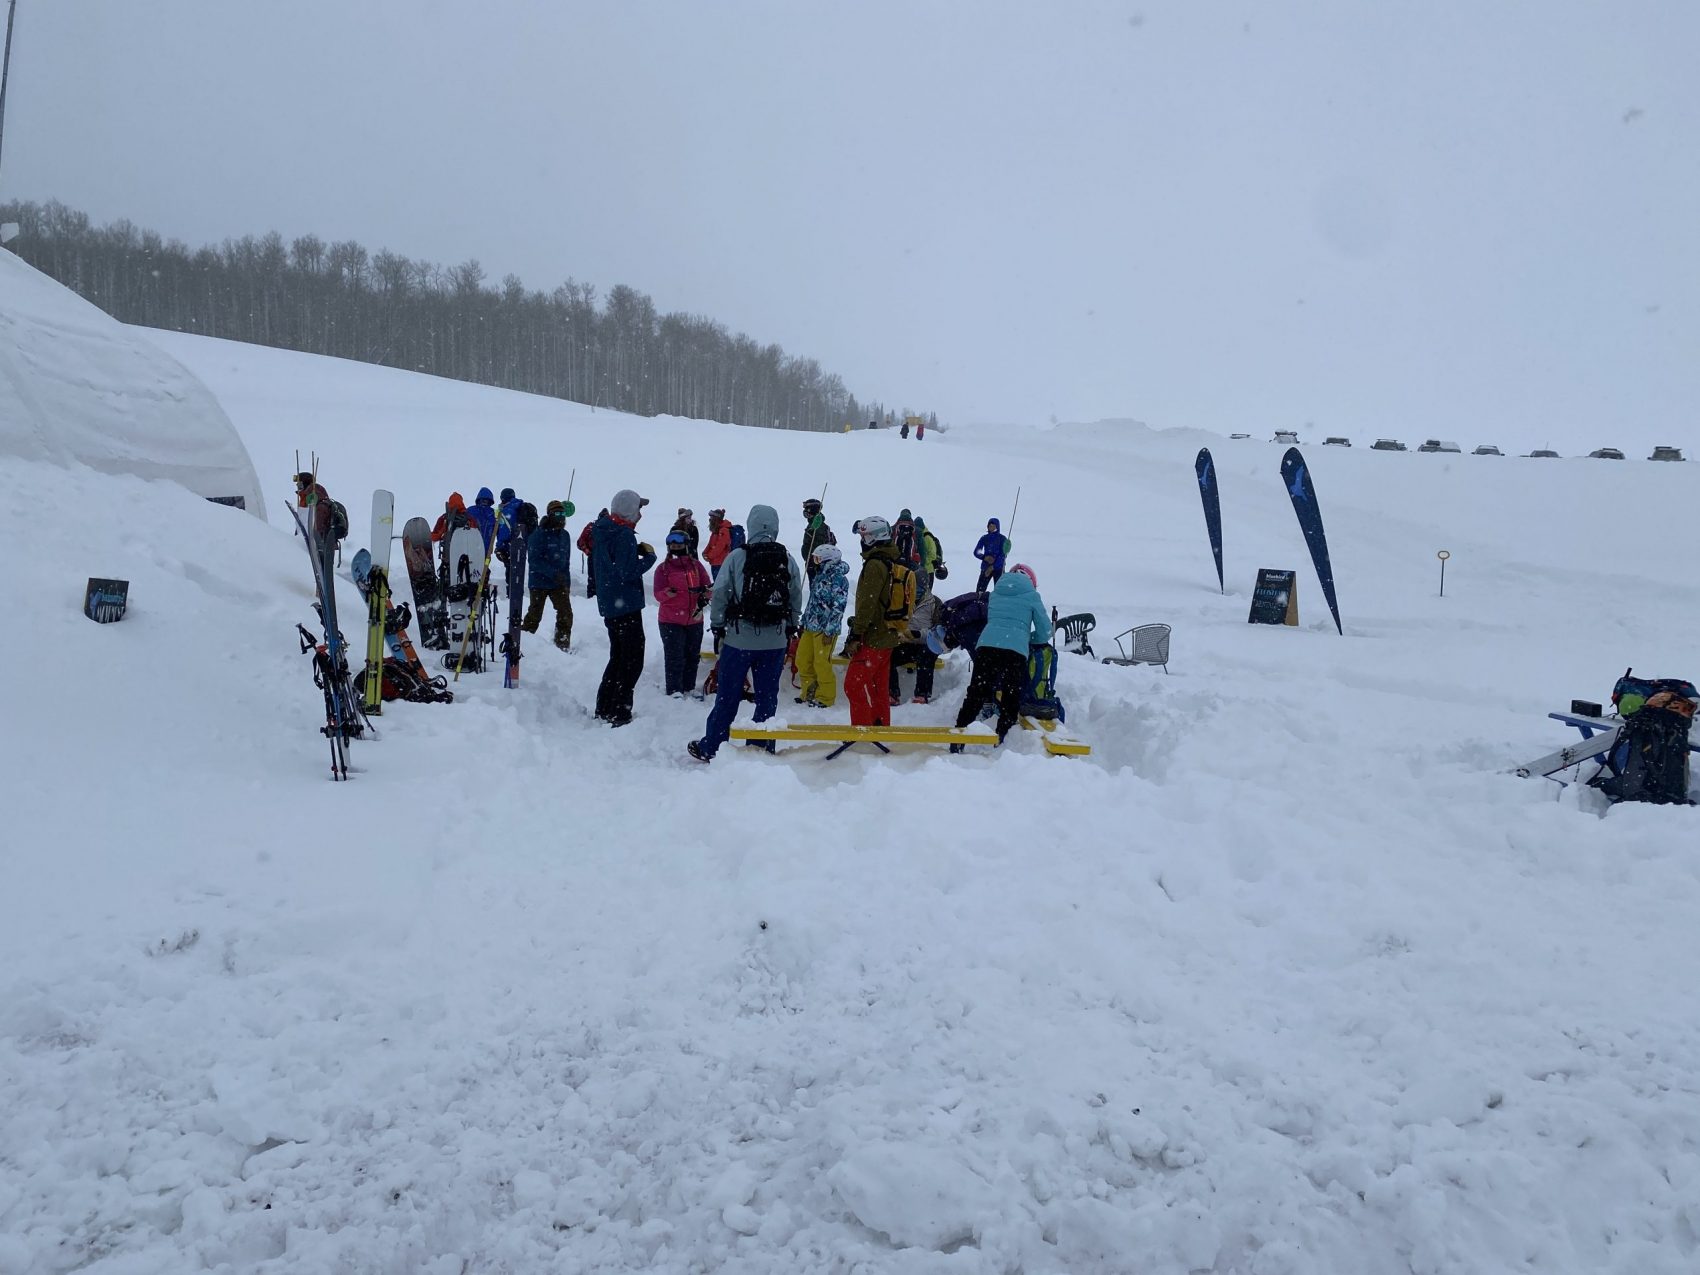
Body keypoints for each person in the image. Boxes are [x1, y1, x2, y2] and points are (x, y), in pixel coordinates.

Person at [688, 504, 804, 762]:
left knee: (728, 695)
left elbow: (720, 594)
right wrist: (790, 625)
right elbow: (796, 595)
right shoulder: (787, 558)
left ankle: (713, 747)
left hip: (739, 639)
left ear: (751, 525)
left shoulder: (737, 556)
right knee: (766, 698)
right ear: (775, 526)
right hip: (774, 641)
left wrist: (718, 626)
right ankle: (761, 746)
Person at [951, 563, 1051, 749]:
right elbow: (1045, 631)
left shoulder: (997, 592)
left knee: (976, 693)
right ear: (1031, 581)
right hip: (1015, 650)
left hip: (987, 645)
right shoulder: (1031, 595)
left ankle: (959, 735)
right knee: (1010, 695)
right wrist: (1028, 638)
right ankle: (1002, 739)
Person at [591, 490, 657, 726]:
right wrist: (649, 557)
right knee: (631, 660)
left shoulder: (603, 530)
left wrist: (632, 553)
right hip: (625, 605)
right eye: (638, 509)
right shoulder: (623, 535)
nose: (640, 514)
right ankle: (620, 711)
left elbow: (614, 565)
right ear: (630, 510)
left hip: (611, 605)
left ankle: (605, 707)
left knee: (618, 657)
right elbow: (627, 572)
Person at [841, 516, 914, 728]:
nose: (861, 541)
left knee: (853, 686)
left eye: (863, 536)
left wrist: (856, 633)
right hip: (888, 634)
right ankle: (880, 727)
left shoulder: (875, 565)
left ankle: (864, 731)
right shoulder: (890, 561)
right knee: (878, 687)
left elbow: (867, 604)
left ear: (873, 538)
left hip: (873, 636)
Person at [654, 530, 712, 697]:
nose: (676, 548)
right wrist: (667, 594)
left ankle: (689, 688)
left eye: (679, 546)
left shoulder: (696, 566)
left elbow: (708, 587)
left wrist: (706, 593)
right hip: (670, 620)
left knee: (692, 657)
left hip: (694, 618)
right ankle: (674, 691)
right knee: (675, 657)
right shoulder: (663, 569)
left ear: (686, 546)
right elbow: (658, 594)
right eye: (673, 546)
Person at [796, 544, 849, 707]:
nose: (815, 562)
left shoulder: (839, 579)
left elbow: (838, 607)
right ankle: (809, 692)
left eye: (818, 558)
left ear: (829, 560)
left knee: (821, 663)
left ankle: (825, 697)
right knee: (802, 660)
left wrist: (830, 631)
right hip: (810, 626)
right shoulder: (820, 575)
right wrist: (804, 622)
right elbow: (812, 602)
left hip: (825, 630)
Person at [523, 500, 574, 650]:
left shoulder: (565, 535)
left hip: (559, 584)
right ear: (550, 515)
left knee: (566, 614)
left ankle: (562, 644)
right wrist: (553, 573)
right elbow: (534, 560)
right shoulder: (538, 535)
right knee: (534, 616)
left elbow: (566, 562)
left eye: (563, 513)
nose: (561, 516)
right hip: (539, 582)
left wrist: (566, 582)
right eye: (557, 513)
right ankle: (522, 644)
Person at [973, 517, 1010, 594]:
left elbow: (1002, 556)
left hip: (998, 569)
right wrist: (984, 557)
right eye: (989, 525)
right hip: (985, 568)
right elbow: (976, 551)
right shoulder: (984, 538)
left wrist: (993, 567)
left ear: (997, 527)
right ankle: (978, 603)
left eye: (993, 525)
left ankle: (998, 605)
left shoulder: (1002, 539)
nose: (991, 527)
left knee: (1000, 592)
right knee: (979, 591)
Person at [801, 497, 835, 577]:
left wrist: (813, 562)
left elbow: (819, 546)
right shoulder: (813, 525)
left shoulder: (818, 527)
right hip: (812, 563)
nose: (805, 512)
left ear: (811, 510)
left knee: (816, 587)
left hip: (816, 565)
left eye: (806, 509)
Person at [914, 515, 946, 598]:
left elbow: (932, 554)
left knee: (926, 593)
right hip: (924, 570)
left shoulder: (927, 537)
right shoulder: (921, 536)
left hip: (928, 570)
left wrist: (923, 562)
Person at [577, 510, 605, 599]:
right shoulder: (592, 527)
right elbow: (580, 542)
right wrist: (588, 552)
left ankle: (593, 597)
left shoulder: (591, 527)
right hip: (598, 556)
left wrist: (587, 551)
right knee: (596, 579)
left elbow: (580, 542)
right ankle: (595, 597)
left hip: (596, 556)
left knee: (594, 579)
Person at [703, 509, 733, 579]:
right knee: (717, 582)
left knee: (719, 584)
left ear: (716, 518)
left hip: (721, 562)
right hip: (715, 562)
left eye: (711, 517)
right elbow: (710, 544)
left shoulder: (723, 530)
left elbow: (720, 547)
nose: (710, 519)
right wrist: (705, 552)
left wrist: (709, 556)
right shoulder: (716, 530)